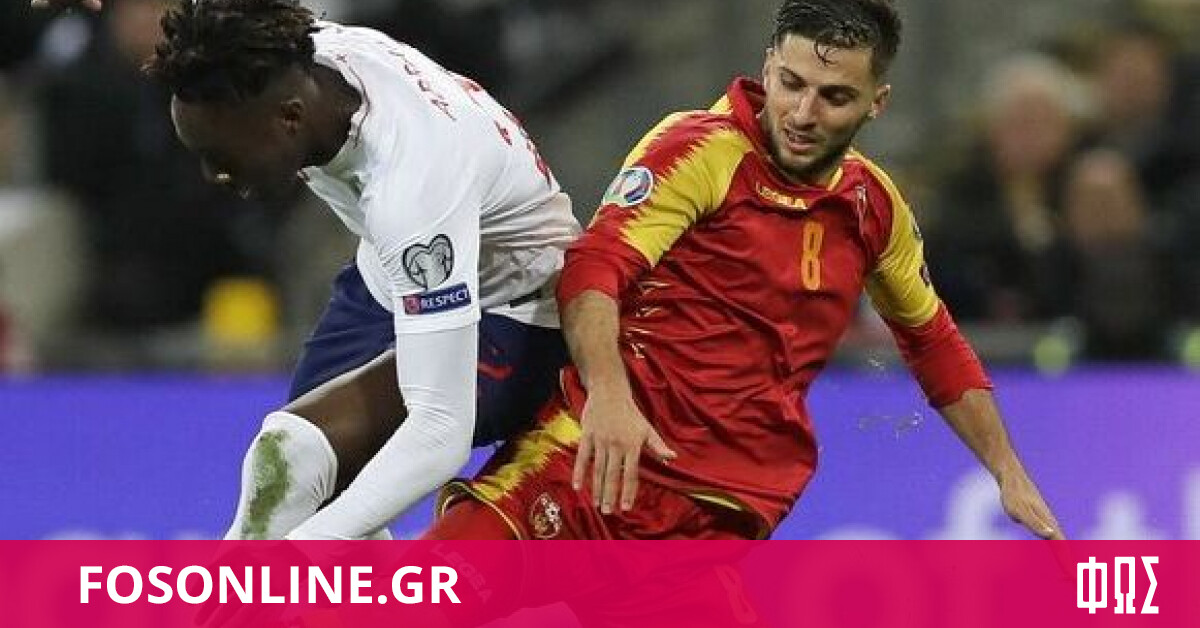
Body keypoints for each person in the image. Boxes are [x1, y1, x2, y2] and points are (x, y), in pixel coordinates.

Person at [426, 0, 1063, 543]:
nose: (803, 113)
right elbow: (595, 267)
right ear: (767, 67)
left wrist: (1006, 470)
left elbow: (932, 339)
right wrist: (610, 395)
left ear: (877, 102)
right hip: (593, 464)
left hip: (714, 516)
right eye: (791, 83)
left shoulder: (874, 206)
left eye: (835, 96)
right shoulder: (701, 150)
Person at [35, 0, 581, 540]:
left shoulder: (412, 184)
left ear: (290, 118)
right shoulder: (281, 55)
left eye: (220, 154)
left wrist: (295, 557)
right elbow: (225, 12)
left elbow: (440, 432)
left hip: (521, 315)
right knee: (289, 461)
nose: (213, 174)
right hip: (394, 274)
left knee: (298, 465)